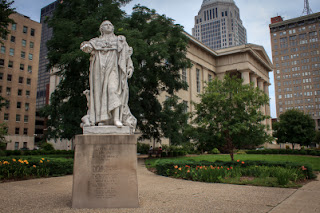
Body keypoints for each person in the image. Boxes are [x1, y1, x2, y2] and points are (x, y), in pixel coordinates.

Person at [80, 20, 136, 130]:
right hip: (99, 71)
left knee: (113, 90)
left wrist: (129, 67)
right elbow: (87, 46)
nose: (108, 26)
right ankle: (103, 120)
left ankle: (116, 118)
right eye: (106, 25)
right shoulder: (96, 41)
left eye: (110, 24)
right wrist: (86, 47)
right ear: (101, 29)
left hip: (114, 69)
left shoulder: (119, 40)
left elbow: (126, 55)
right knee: (101, 94)